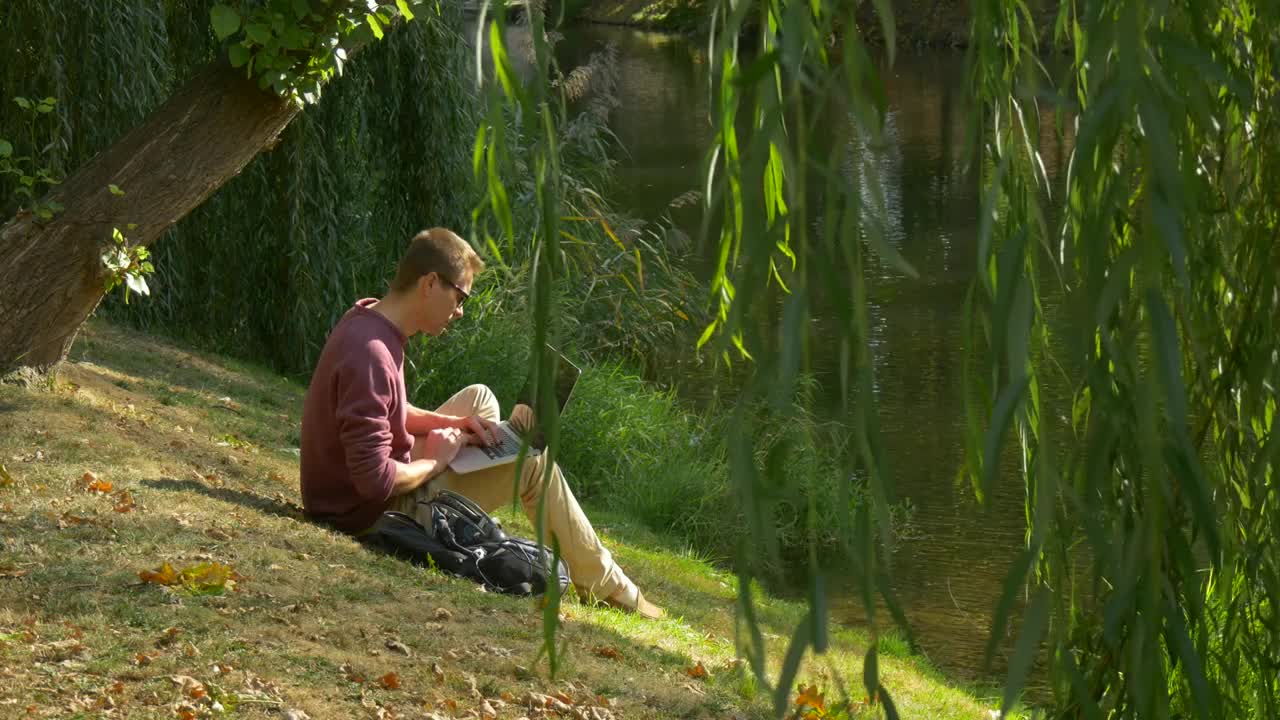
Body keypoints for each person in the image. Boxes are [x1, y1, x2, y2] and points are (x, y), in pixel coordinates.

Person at [299, 227, 662, 619]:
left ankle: (484, 472)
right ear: (431, 283)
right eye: (460, 297)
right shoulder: (370, 353)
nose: (460, 311)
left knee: (480, 398)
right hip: (369, 515)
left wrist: (455, 423)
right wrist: (437, 460)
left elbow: (389, 408)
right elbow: (375, 480)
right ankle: (611, 589)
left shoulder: (370, 322)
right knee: (532, 462)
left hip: (360, 493)